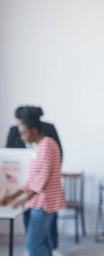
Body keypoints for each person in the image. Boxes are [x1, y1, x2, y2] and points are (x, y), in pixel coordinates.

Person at [1, 107, 66, 256]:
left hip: (44, 204)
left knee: (33, 243)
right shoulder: (40, 148)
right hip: (39, 203)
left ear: (34, 130)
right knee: (43, 243)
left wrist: (21, 199)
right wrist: (14, 196)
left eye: (24, 133)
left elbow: (41, 181)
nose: (22, 138)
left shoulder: (48, 145)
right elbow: (32, 180)